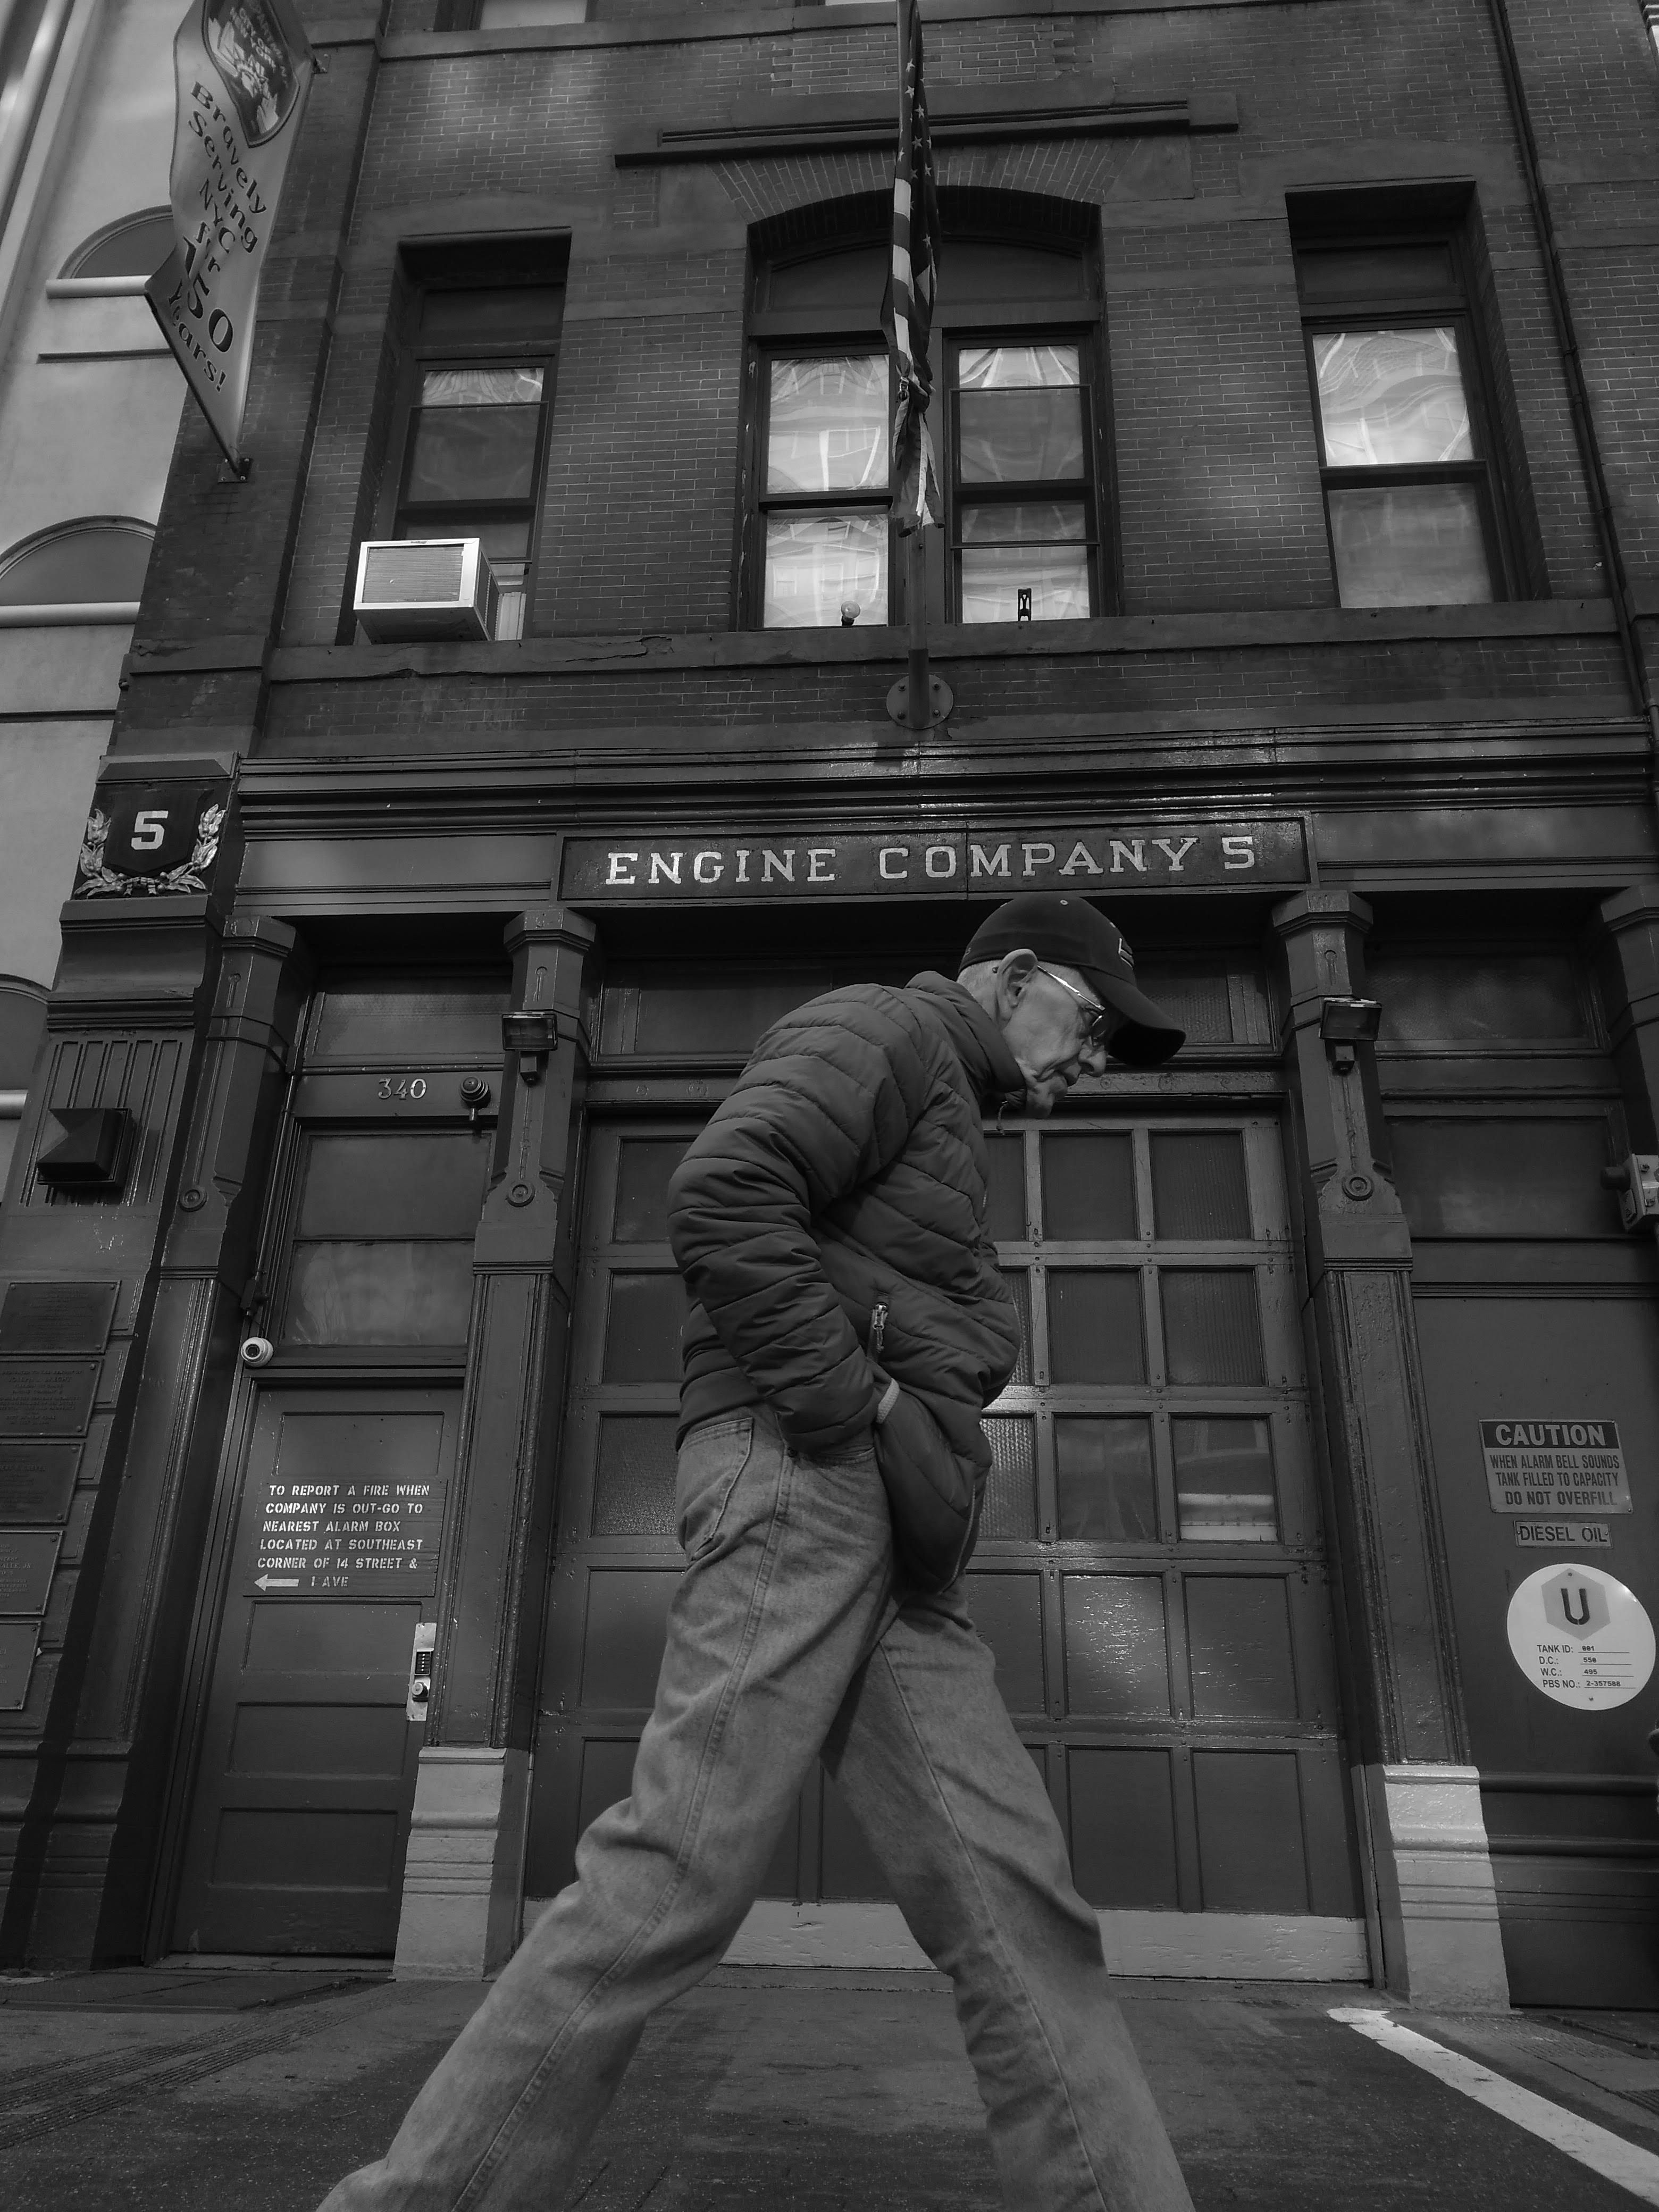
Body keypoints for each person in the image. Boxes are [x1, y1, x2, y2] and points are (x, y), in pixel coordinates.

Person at [318, 891, 1193, 2212]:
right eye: (1091, 1025)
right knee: (679, 1871)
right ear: (1017, 977)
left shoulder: (952, 1101)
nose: (1093, 1062)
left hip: (888, 1534)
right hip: (805, 1477)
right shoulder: (886, 1030)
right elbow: (727, 1190)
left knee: (1022, 1906)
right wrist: (856, 1405)